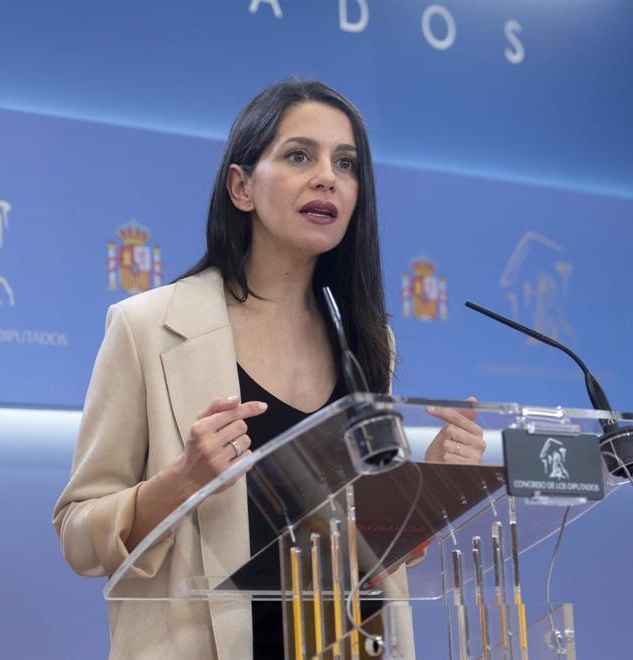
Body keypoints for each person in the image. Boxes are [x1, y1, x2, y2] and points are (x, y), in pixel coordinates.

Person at [53, 79, 486, 660]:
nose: (327, 176)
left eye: (347, 162)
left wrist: (427, 495)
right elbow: (80, 535)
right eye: (299, 155)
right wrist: (181, 481)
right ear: (241, 187)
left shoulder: (363, 338)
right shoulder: (148, 326)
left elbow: (357, 547)